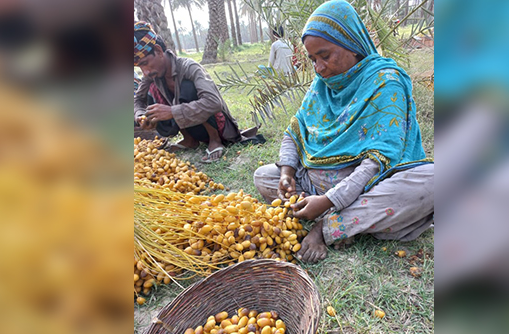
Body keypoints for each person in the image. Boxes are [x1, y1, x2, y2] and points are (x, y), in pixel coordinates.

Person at [253, 0, 434, 263]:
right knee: (263, 176)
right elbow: (295, 129)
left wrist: (327, 201)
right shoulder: (321, 84)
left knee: (434, 180)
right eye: (313, 59)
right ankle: (356, 221)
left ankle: (326, 227)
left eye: (325, 56)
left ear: (352, 44)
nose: (319, 68)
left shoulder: (385, 82)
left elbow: (376, 164)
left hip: (372, 185)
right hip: (315, 182)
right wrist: (287, 174)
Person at [134, 21, 263, 162]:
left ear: (158, 51)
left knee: (187, 87)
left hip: (220, 128)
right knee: (152, 90)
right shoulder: (152, 74)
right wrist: (140, 116)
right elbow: (138, 100)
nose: (144, 72)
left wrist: (171, 111)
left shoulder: (189, 67)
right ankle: (189, 140)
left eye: (145, 63)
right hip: (192, 127)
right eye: (140, 67)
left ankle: (215, 140)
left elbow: (213, 103)